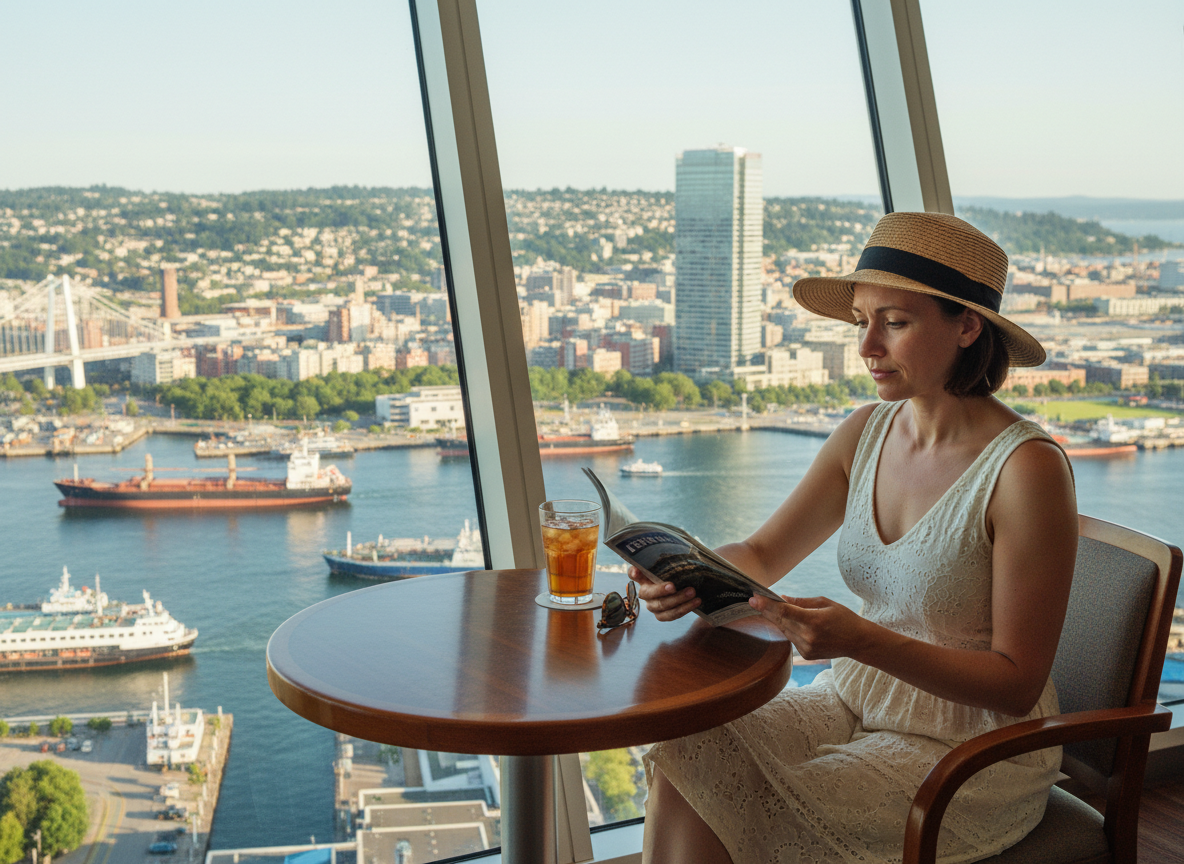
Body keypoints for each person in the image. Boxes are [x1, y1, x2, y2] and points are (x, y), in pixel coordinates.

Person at [633, 212, 1078, 864]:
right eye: (860, 322)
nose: (867, 346)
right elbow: (760, 554)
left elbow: (1015, 683)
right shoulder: (865, 431)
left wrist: (862, 638)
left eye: (894, 323)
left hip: (973, 750)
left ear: (967, 325)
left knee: (744, 799)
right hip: (856, 696)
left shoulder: (1026, 470)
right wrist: (682, 569)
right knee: (687, 752)